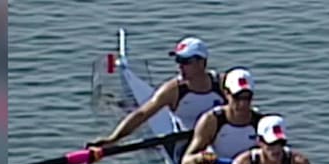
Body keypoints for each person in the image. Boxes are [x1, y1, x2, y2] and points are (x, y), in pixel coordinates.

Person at [89, 37, 226, 146]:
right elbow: (141, 114)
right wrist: (113, 139)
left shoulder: (222, 84)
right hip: (187, 143)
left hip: (223, 138)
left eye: (185, 61)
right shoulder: (173, 90)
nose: (180, 66)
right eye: (178, 60)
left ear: (202, 62)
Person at [179, 68, 262, 164]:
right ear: (226, 94)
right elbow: (186, 163)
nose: (242, 104)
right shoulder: (212, 120)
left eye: (247, 97)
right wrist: (201, 158)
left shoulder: (261, 123)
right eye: (237, 98)